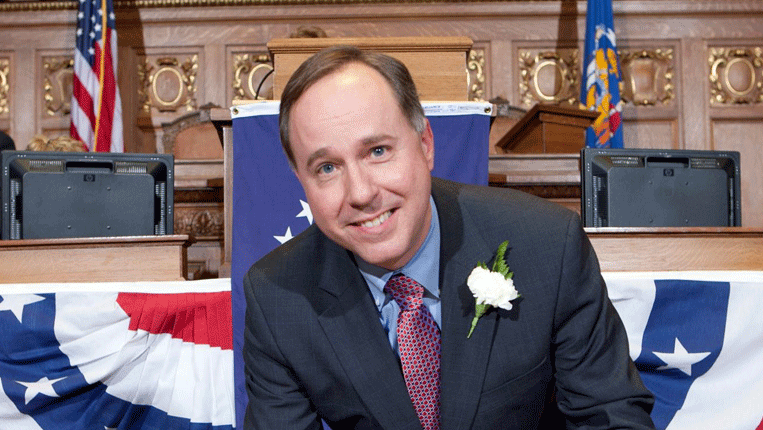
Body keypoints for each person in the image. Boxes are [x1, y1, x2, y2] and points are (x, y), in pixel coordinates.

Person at [242, 45, 655, 430]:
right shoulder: (278, 296)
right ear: (301, 181)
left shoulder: (546, 245)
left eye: (378, 151)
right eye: (327, 168)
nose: (361, 194)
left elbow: (611, 418)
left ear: (425, 145)